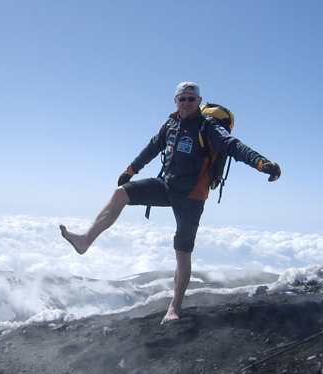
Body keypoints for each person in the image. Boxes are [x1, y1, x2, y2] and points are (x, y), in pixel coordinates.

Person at [60, 82, 281, 324]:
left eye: (191, 99)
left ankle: (174, 307)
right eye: (182, 98)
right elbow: (152, 148)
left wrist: (262, 163)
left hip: (191, 196)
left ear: (199, 102)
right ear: (175, 100)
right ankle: (84, 240)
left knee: (182, 252)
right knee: (120, 193)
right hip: (166, 185)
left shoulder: (208, 127)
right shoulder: (171, 124)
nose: (187, 102)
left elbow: (234, 146)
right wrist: (130, 171)